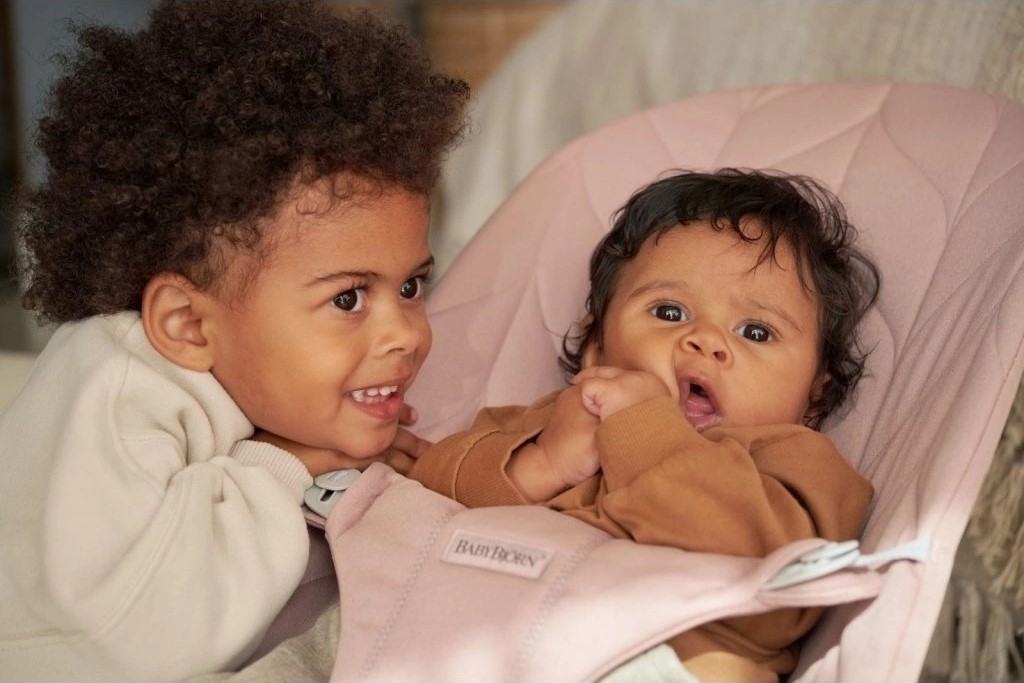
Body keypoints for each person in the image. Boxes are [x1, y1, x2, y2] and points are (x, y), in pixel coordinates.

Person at [0, 1, 468, 680]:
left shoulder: (270, 386)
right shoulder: (116, 387)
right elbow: (133, 640)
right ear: (188, 325)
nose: (407, 334)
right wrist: (286, 465)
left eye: (411, 286)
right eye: (348, 298)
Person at [409, 168, 881, 683]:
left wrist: (645, 428)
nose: (706, 340)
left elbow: (774, 583)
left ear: (815, 393)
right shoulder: (557, 422)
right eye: (670, 312)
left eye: (755, 331)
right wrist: (541, 463)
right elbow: (426, 492)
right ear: (596, 347)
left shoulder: (795, 460)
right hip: (491, 644)